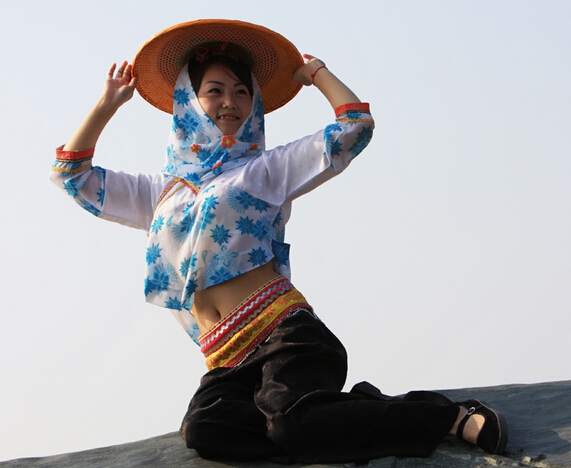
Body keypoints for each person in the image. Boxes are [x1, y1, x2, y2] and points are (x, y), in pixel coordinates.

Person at [51, 20, 507, 464]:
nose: (230, 102)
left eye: (242, 92)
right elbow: (72, 176)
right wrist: (107, 104)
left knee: (291, 422)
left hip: (288, 338)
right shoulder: (159, 192)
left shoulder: (264, 170)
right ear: (188, 101)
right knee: (206, 430)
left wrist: (317, 74)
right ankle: (350, 413)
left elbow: (354, 127)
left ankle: (448, 416)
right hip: (227, 359)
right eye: (214, 90)